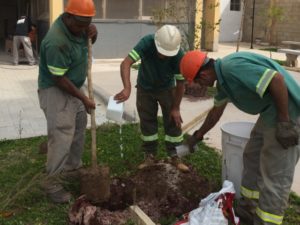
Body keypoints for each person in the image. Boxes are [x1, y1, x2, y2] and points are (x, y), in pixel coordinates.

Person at [180, 50, 300, 225]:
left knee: (275, 177)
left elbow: (276, 80)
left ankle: (267, 221)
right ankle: (247, 211)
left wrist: (284, 122)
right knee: (252, 157)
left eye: (197, 81)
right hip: (270, 113)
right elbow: (215, 112)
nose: (200, 85)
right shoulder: (223, 81)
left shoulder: (231, 68)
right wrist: (197, 136)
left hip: (288, 114)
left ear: (204, 74)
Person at [37, 0, 98, 203]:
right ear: (67, 16)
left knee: (79, 123)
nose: (83, 29)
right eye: (80, 24)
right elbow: (58, 79)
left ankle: (71, 168)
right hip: (56, 89)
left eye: (87, 23)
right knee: (62, 133)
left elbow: (86, 38)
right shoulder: (56, 41)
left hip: (73, 86)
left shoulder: (78, 26)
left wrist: (93, 33)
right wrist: (84, 98)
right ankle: (52, 183)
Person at [114, 25, 189, 172]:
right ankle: (150, 156)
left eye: (168, 54)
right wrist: (127, 87)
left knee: (173, 122)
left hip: (167, 89)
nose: (164, 57)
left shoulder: (179, 55)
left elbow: (181, 83)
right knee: (147, 122)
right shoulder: (147, 42)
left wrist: (175, 108)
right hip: (145, 88)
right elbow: (126, 63)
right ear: (156, 43)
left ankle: (175, 157)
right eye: (162, 53)